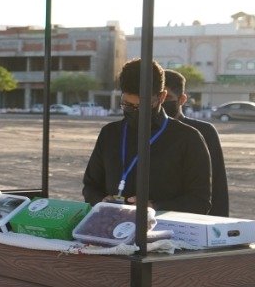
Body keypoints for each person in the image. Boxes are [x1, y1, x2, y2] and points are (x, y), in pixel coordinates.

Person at [82, 58, 212, 214]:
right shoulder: (110, 134)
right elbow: (90, 186)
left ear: (162, 97)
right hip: (111, 223)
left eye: (142, 105)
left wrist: (154, 207)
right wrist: (102, 201)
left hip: (163, 227)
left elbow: (200, 201)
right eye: (127, 105)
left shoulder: (188, 138)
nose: (134, 112)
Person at [163, 69, 230, 217]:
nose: (161, 104)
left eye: (167, 98)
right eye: (157, 98)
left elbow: (217, 185)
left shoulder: (203, 131)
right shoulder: (143, 131)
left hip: (191, 218)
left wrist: (218, 223)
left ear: (182, 99)